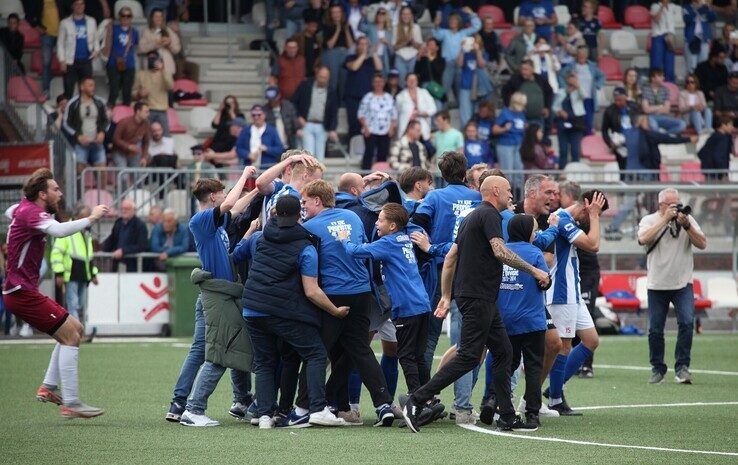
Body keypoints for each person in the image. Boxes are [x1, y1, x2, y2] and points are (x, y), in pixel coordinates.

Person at [403, 175, 550, 433]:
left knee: (504, 351)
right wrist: (535, 272)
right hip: (479, 297)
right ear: (494, 191)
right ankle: (416, 400)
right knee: (469, 356)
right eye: (507, 190)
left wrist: (447, 296)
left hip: (478, 298)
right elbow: (500, 251)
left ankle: (506, 415)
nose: (510, 196)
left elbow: (450, 258)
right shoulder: (489, 215)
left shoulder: (470, 217)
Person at [5, 168, 108, 418]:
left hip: (22, 290)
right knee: (71, 337)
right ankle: (71, 402)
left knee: (77, 328)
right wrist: (92, 218)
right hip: (21, 292)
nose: (60, 194)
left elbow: (10, 212)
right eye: (55, 189)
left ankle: (49, 387)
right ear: (42, 194)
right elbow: (59, 231)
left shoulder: (24, 209)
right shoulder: (31, 212)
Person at [238, 195, 346, 429]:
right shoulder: (306, 247)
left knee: (265, 363)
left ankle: (264, 415)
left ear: (275, 214)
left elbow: (239, 256)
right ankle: (317, 409)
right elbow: (311, 291)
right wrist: (335, 311)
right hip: (282, 311)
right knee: (316, 354)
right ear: (300, 215)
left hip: (252, 308)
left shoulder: (259, 238)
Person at [300, 179, 396, 427]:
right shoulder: (353, 218)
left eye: (306, 201)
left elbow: (310, 264)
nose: (303, 206)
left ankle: (304, 406)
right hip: (361, 291)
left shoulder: (309, 227)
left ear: (317, 200)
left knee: (317, 352)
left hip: (331, 295)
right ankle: (382, 404)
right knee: (360, 350)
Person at [174, 167, 257, 426]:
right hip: (217, 295)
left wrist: (257, 190)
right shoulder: (201, 220)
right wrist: (245, 174)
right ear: (212, 197)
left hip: (221, 294)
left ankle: (242, 399)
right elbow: (232, 203)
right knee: (219, 353)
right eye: (221, 192)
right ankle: (193, 409)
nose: (226, 196)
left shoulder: (215, 221)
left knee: (229, 345)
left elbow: (236, 208)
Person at [342, 203, 431, 397]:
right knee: (418, 356)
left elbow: (356, 252)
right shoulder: (403, 239)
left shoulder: (388, 243)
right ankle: (428, 398)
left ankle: (417, 399)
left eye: (381, 220)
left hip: (407, 307)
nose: (376, 223)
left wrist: (344, 240)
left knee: (406, 356)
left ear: (392, 226)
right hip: (422, 304)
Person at [544, 190, 606, 415]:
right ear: (585, 207)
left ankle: (553, 389)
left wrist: (595, 216)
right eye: (592, 214)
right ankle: (555, 398)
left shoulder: (567, 220)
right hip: (561, 292)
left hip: (573, 292)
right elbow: (593, 245)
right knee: (563, 345)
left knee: (591, 340)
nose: (592, 222)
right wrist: (595, 216)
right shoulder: (562, 219)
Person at [638, 188, 707, 385]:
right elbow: (643, 239)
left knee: (686, 323)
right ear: (661, 205)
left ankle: (682, 368)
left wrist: (687, 226)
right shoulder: (649, 220)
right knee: (655, 330)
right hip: (657, 283)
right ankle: (658, 368)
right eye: (670, 204)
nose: (675, 207)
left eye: (676, 203)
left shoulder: (687, 219)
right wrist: (664, 220)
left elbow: (702, 243)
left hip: (682, 282)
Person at [498, 214, 551, 427]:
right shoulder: (535, 253)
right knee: (533, 368)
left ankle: (495, 403)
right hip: (532, 321)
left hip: (504, 320)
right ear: (527, 231)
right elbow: (544, 282)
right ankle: (532, 414)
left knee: (505, 366)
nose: (536, 233)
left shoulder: (501, 251)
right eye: (534, 230)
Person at [50, 205, 98, 326]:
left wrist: (93, 274)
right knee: (73, 305)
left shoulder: (86, 232)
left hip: (83, 275)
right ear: (78, 217)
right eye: (86, 217)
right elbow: (57, 253)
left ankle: (79, 329)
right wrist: (59, 273)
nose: (88, 220)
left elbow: (89, 256)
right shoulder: (67, 230)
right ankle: (77, 331)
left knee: (80, 305)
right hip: (70, 275)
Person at [432, 7, 481, 103]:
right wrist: (436, 25)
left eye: (454, 20)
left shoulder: (464, 33)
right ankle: (442, 112)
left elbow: (477, 26)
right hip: (448, 64)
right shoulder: (445, 32)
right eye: (450, 20)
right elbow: (436, 35)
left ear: (459, 22)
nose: (452, 21)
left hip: (460, 64)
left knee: (459, 90)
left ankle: (460, 111)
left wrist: (472, 13)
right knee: (444, 89)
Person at [292, 66, 339, 161]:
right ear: (317, 75)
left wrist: (332, 128)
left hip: (322, 126)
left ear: (328, 78)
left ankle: (318, 176)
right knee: (309, 155)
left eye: (325, 77)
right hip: (307, 124)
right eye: (321, 76)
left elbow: (334, 111)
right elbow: (293, 103)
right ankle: (309, 176)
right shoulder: (306, 85)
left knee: (320, 158)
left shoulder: (332, 91)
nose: (322, 79)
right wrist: (299, 116)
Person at [63, 76, 108, 175]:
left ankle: (102, 191)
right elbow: (66, 123)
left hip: (97, 143)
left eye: (94, 85)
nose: (93, 88)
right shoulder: (73, 104)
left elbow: (106, 120)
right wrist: (78, 135)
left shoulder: (100, 103)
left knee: (103, 173)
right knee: (79, 174)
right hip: (81, 144)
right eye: (90, 85)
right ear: (82, 87)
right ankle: (79, 191)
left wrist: (102, 132)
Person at [558, 45, 604, 135]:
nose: (582, 55)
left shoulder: (592, 66)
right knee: (578, 123)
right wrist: (564, 88)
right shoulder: (571, 66)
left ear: (587, 55)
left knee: (588, 123)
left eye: (584, 53)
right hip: (576, 98)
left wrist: (598, 86)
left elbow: (602, 76)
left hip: (589, 98)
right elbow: (560, 76)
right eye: (580, 53)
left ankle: (588, 145)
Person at [57, 0, 98, 98]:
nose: (79, 6)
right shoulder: (65, 23)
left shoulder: (91, 21)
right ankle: (69, 112)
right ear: (73, 6)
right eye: (77, 4)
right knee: (68, 90)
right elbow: (60, 43)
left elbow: (95, 38)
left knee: (87, 91)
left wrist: (96, 50)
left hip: (86, 60)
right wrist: (62, 60)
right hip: (70, 61)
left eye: (82, 4)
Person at [345, 37, 383, 138]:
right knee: (354, 125)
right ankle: (352, 150)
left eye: (365, 44)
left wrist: (374, 53)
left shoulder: (371, 60)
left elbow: (379, 67)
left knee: (368, 125)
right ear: (357, 46)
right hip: (353, 97)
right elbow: (354, 67)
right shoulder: (350, 57)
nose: (363, 46)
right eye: (361, 44)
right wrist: (363, 55)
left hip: (368, 98)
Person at [22, 0, 62, 96]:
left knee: (67, 62)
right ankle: (46, 90)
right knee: (46, 63)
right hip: (46, 35)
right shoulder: (38, 1)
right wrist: (39, 28)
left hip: (62, 34)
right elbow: (29, 16)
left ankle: (66, 93)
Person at [358, 73, 397, 170]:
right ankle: (364, 176)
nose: (378, 84)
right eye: (376, 82)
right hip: (371, 130)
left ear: (384, 83)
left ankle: (381, 177)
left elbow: (394, 115)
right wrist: (366, 128)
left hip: (385, 131)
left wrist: (392, 128)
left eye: (380, 82)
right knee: (369, 154)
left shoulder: (389, 97)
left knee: (383, 155)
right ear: (373, 83)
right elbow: (361, 114)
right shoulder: (368, 97)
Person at [502, 60, 553, 132]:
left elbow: (549, 92)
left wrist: (547, 107)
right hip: (521, 118)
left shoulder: (540, 79)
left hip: (538, 119)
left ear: (532, 69)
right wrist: (509, 106)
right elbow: (505, 91)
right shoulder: (516, 80)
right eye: (522, 69)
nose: (523, 72)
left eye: (526, 70)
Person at [103, 6, 139, 107]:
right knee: (114, 91)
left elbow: (135, 45)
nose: (126, 18)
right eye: (123, 15)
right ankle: (109, 115)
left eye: (128, 16)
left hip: (129, 65)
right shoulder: (113, 29)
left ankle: (126, 114)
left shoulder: (135, 32)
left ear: (131, 18)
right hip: (113, 63)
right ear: (119, 17)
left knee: (127, 93)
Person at [493, 92, 527, 196]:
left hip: (517, 146)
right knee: (508, 174)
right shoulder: (505, 113)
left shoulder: (521, 114)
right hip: (505, 145)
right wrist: (504, 129)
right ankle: (507, 197)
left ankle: (518, 197)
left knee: (519, 172)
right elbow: (494, 129)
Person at [101, 199, 149, 272]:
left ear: (134, 210)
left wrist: (123, 251)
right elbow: (112, 239)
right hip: (117, 264)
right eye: (122, 208)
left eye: (127, 209)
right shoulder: (118, 223)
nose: (124, 211)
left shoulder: (140, 225)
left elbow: (142, 245)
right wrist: (100, 248)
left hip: (133, 266)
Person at [132, 53, 173, 136]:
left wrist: (162, 70)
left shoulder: (166, 73)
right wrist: (139, 93)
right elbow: (133, 93)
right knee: (145, 135)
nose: (152, 62)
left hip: (161, 110)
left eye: (155, 60)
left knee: (165, 136)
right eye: (150, 60)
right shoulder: (141, 74)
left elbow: (170, 86)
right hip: (146, 110)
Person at [553, 70, 587, 168]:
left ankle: (575, 172)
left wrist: (578, 86)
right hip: (563, 122)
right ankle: (561, 172)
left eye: (574, 79)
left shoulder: (579, 91)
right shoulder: (561, 92)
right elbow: (554, 107)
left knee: (575, 150)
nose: (571, 82)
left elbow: (585, 96)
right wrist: (560, 111)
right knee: (563, 150)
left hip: (576, 123)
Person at [138, 7, 181, 81]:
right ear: (152, 18)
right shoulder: (146, 31)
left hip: (167, 69)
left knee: (168, 91)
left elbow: (177, 49)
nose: (159, 18)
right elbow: (141, 48)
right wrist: (155, 44)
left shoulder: (169, 31)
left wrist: (169, 44)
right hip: (151, 68)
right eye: (156, 16)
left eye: (161, 16)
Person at [457, 36, 491, 126]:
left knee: (477, 112)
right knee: (465, 114)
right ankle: (466, 132)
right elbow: (460, 64)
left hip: (479, 88)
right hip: (466, 86)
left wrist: (478, 51)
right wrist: (462, 48)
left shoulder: (484, 53)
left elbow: (482, 64)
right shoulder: (465, 53)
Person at [322, 3, 354, 96]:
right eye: (334, 12)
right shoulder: (327, 26)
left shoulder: (347, 26)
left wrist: (346, 30)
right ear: (331, 14)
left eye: (338, 12)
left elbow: (351, 45)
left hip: (345, 53)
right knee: (333, 81)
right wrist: (337, 29)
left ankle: (342, 104)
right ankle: (331, 103)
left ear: (341, 13)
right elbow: (329, 45)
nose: (336, 14)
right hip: (332, 54)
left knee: (344, 80)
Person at [642, 68, 686, 135]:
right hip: (650, 117)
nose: (663, 78)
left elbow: (667, 109)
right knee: (654, 126)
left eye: (663, 76)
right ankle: (662, 136)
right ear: (653, 78)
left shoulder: (665, 90)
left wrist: (652, 108)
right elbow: (646, 110)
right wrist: (660, 106)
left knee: (682, 124)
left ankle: (664, 135)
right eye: (660, 76)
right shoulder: (645, 89)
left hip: (663, 116)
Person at [395, 73, 436, 143]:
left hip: (423, 129)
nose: (412, 81)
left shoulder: (424, 93)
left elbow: (433, 109)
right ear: (406, 81)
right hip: (406, 130)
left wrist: (422, 113)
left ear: (417, 81)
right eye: (410, 79)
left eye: (414, 79)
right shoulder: (400, 96)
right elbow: (396, 113)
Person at [112, 101, 151, 171]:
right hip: (119, 152)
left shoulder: (146, 124)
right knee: (123, 176)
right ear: (138, 111)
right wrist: (128, 146)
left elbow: (146, 142)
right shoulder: (124, 122)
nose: (148, 114)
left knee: (138, 176)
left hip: (134, 152)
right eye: (146, 112)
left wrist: (144, 157)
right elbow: (115, 139)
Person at [683, 0, 716, 74]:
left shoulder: (706, 8)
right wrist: (696, 9)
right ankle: (691, 83)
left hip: (703, 40)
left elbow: (713, 18)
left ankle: (701, 84)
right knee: (691, 66)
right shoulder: (687, 8)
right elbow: (688, 19)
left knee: (703, 65)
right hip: (691, 40)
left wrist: (708, 8)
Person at [393, 6, 423, 85]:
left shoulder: (416, 27)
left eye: (408, 14)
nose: (405, 16)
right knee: (401, 82)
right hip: (400, 57)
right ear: (400, 15)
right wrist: (405, 43)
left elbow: (420, 46)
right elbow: (394, 47)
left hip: (412, 58)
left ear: (411, 15)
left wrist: (413, 42)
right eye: (403, 14)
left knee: (412, 82)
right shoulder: (396, 28)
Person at [264, 86, 299, 151]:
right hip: (273, 146)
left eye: (273, 99)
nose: (271, 101)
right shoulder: (264, 110)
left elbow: (294, 121)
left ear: (278, 96)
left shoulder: (288, 106)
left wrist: (297, 129)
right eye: (269, 99)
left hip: (289, 142)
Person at [414, 37, 445, 108]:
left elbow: (438, 71)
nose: (429, 47)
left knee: (437, 107)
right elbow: (416, 72)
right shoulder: (423, 59)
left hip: (436, 86)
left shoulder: (441, 60)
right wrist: (419, 57)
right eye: (428, 45)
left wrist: (430, 58)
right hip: (424, 85)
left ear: (437, 48)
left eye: (431, 45)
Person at [650, 0, 677, 82]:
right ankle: (654, 83)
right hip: (658, 36)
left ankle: (670, 85)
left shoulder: (673, 7)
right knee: (656, 63)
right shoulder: (655, 6)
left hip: (670, 36)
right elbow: (656, 19)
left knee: (670, 64)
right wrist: (662, 7)